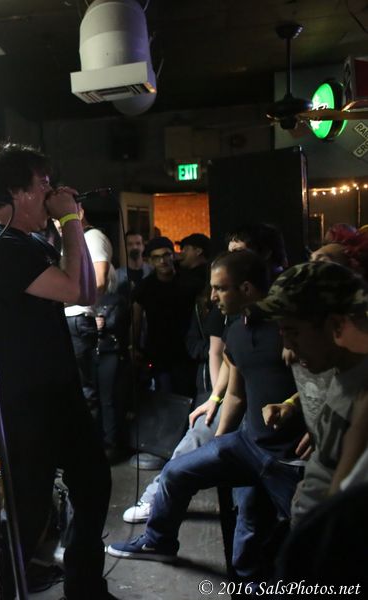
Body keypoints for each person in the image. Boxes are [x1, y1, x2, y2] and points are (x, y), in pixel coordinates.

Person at [0, 141, 112, 599]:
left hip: (54, 393)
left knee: (92, 482)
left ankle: (84, 587)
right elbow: (77, 290)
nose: (51, 191)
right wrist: (70, 221)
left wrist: (66, 226)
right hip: (23, 402)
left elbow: (86, 291)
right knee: (27, 515)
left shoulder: (24, 242)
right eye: (43, 184)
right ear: (16, 192)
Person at [108, 250, 306, 583]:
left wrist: (302, 415)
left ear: (246, 289)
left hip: (290, 459)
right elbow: (236, 394)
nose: (212, 296)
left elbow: (329, 383)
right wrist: (218, 446)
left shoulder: (291, 331)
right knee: (177, 471)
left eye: (220, 288)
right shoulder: (237, 331)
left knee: (284, 536)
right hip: (250, 444)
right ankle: (159, 541)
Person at [256, 261, 368, 525]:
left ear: (336, 325)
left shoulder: (363, 396)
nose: (287, 345)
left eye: (293, 332)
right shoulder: (342, 372)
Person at [65, 202, 115, 439]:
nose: (57, 222)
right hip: (72, 319)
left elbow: (99, 282)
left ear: (80, 212)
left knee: (85, 391)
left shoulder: (93, 237)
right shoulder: (73, 241)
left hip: (78, 319)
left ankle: (92, 449)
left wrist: (57, 300)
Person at [131, 236, 198, 397]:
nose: (162, 261)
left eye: (166, 255)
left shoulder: (190, 282)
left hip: (187, 350)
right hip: (158, 351)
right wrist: (134, 347)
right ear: (150, 261)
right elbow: (136, 320)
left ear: (173, 255)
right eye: (157, 257)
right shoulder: (145, 287)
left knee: (186, 396)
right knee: (164, 396)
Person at [112, 229, 152, 296]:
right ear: (125, 247)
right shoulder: (117, 275)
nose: (134, 247)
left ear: (143, 247)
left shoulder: (152, 272)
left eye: (138, 243)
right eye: (130, 244)